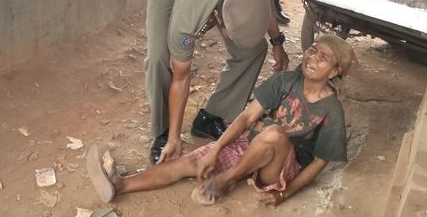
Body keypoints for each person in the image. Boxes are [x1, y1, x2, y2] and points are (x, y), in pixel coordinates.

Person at [86, 34, 357, 205]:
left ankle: (227, 180)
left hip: (280, 166)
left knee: (274, 133)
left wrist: (284, 194)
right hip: (255, 146)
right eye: (312, 50)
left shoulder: (332, 110)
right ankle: (121, 185)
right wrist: (216, 149)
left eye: (324, 58)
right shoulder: (286, 81)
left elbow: (319, 163)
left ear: (335, 71)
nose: (313, 58)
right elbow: (246, 117)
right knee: (192, 162)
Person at [143, 0, 290, 165]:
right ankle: (163, 131)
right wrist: (174, 137)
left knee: (254, 49)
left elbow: (265, 2)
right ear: (218, 19)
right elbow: (181, 77)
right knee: (158, 56)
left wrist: (277, 43)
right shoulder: (190, 19)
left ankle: (211, 117)